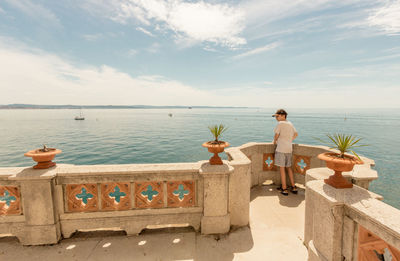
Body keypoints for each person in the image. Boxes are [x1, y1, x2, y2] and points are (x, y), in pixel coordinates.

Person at [272, 109, 298, 196]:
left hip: (281, 149)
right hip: (289, 148)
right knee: (289, 168)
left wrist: (275, 141)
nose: (276, 118)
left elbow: (276, 135)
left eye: (277, 116)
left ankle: (284, 188)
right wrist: (289, 140)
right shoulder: (290, 123)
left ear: (283, 115)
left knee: (282, 169)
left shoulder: (280, 124)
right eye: (275, 117)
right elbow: (296, 134)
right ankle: (294, 187)